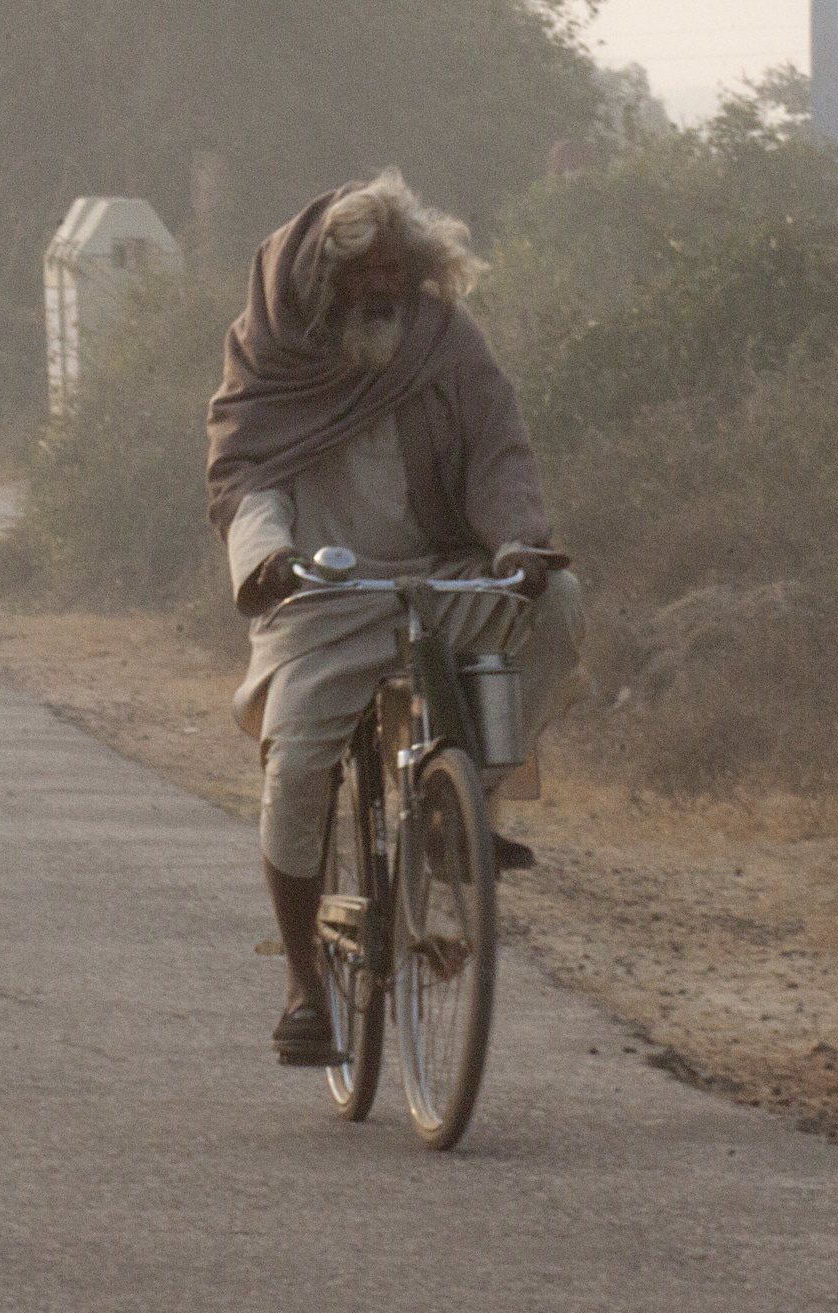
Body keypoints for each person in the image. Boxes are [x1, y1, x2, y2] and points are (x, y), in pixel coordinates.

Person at [206, 169, 585, 1065]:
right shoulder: (272, 355)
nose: (381, 287)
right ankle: (303, 982)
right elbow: (248, 478)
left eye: (394, 270)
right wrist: (267, 559)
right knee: (296, 768)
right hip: (321, 596)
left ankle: (462, 805)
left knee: (559, 605)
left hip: (439, 581)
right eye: (361, 271)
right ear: (322, 280)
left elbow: (498, 450)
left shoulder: (444, 341)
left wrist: (516, 545)